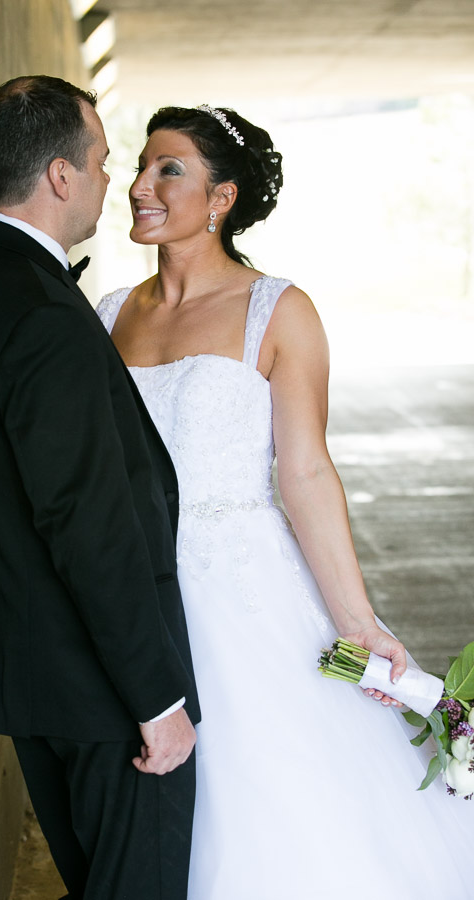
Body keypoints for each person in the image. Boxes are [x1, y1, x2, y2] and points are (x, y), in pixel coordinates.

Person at [96, 104, 471, 899]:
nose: (139, 187)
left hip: (243, 594)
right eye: (141, 165)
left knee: (271, 801)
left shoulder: (279, 311)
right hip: (133, 597)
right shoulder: (109, 314)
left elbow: (304, 475)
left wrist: (359, 623)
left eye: (169, 170)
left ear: (222, 198)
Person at [0, 77, 200, 900]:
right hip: (103, 690)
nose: (115, 181)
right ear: (60, 177)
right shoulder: (41, 311)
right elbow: (87, 521)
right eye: (105, 163)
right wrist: (155, 702)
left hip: (30, 679)